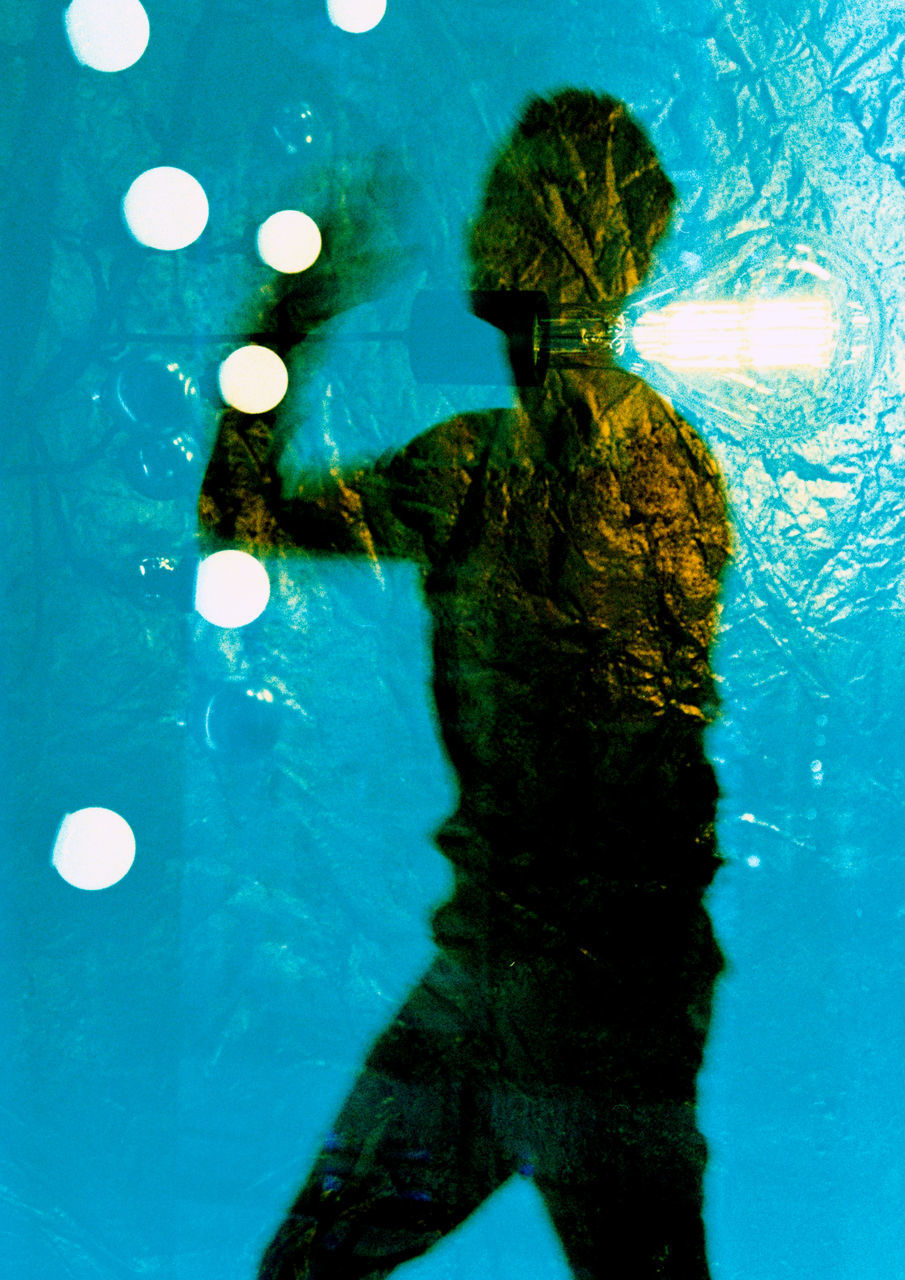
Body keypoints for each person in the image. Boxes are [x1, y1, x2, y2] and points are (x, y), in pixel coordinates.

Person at [200, 89, 731, 1280]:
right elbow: (240, 512)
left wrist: (292, 317)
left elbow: (638, 748)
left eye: (519, 191)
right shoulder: (496, 463)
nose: (484, 217)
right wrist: (291, 318)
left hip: (580, 998)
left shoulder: (601, 467)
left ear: (585, 243)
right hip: (525, 984)